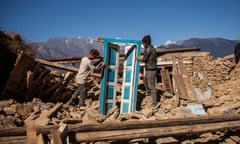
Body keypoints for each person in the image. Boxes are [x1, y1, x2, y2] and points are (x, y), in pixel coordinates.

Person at [137, 35, 157, 107]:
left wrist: (138, 58)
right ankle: (148, 94)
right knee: (145, 80)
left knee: (151, 85)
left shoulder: (148, 49)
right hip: (149, 68)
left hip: (151, 69)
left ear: (146, 43)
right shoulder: (150, 48)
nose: (142, 45)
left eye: (143, 43)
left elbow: (144, 59)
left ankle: (154, 102)